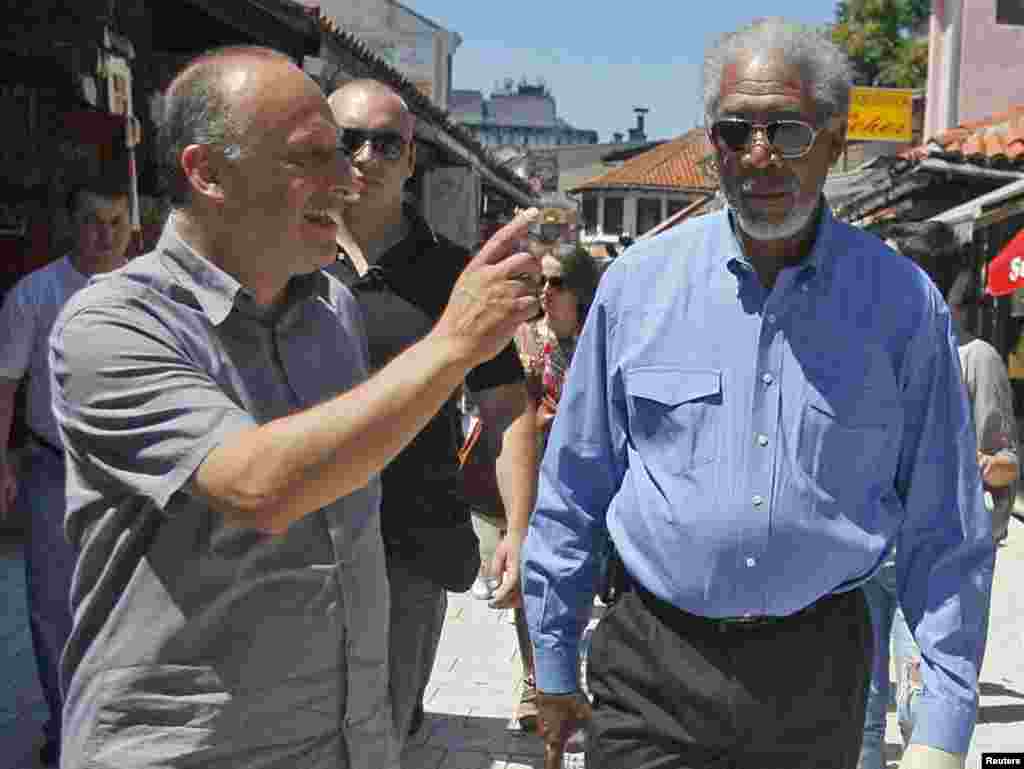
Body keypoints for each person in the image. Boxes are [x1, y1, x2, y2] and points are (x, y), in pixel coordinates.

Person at [49, 46, 540, 769]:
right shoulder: (112, 325)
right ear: (206, 171)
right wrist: (454, 344)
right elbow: (256, 485)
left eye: (361, 153)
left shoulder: (329, 311)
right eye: (314, 156)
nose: (348, 179)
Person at [522, 18, 994, 769]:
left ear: (836, 141)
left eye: (788, 131)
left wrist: (940, 727)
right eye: (734, 131)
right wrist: (551, 661)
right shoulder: (637, 288)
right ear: (712, 143)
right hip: (652, 667)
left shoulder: (903, 307)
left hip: (818, 675)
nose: (760, 156)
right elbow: (574, 487)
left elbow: (945, 529)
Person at [325, 79, 538, 743]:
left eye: (386, 143)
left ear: (411, 160)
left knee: (383, 731)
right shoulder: (280, 259)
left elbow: (504, 405)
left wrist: (518, 529)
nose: (365, 156)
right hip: (293, 538)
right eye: (348, 140)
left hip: (408, 541)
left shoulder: (455, 275)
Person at [857, 223, 1018, 769]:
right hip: (868, 552)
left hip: (935, 559)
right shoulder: (877, 351)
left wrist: (964, 465)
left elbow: (1005, 466)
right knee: (859, 709)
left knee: (918, 706)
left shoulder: (977, 359)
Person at [0, 173, 132, 767]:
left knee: (132, 609)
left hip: (132, 480)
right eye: (91, 222)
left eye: (115, 223)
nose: (104, 236)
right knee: (54, 610)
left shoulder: (151, 291)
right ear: (69, 226)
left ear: (132, 228)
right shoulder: (33, 294)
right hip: (52, 473)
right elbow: (4, 385)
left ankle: (121, 732)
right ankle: (66, 734)